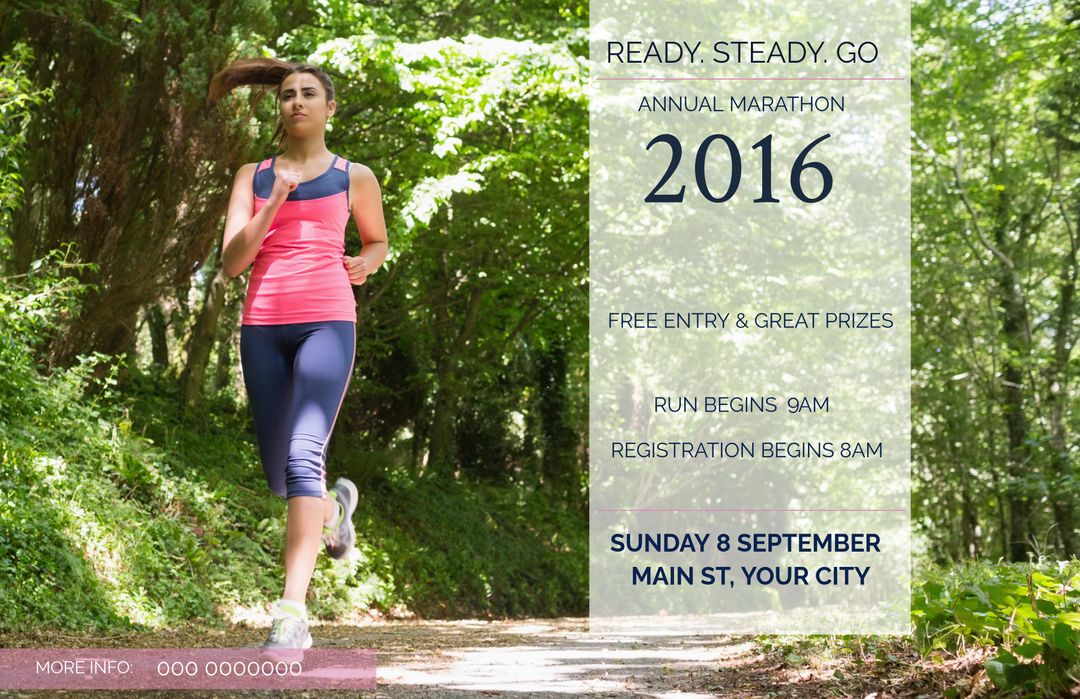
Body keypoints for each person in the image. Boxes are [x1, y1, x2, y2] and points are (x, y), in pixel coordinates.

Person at [207, 57, 389, 655]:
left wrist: (367, 262)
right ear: (279, 108)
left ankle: (291, 616)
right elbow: (234, 261)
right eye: (287, 94)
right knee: (280, 475)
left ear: (329, 108)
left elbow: (377, 240)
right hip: (263, 324)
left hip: (327, 322)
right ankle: (334, 511)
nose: (297, 102)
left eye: (309, 93)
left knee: (303, 455)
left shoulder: (354, 176)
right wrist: (274, 201)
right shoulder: (253, 175)